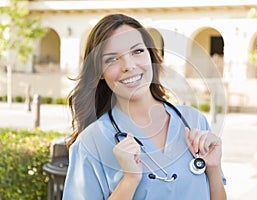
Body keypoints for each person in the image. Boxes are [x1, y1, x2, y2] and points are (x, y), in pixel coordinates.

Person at [62, 13, 227, 200]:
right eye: (111, 59)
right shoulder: (90, 143)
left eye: (137, 51)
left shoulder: (194, 121)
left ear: (151, 56)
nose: (129, 66)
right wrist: (130, 180)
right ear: (99, 72)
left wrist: (213, 168)